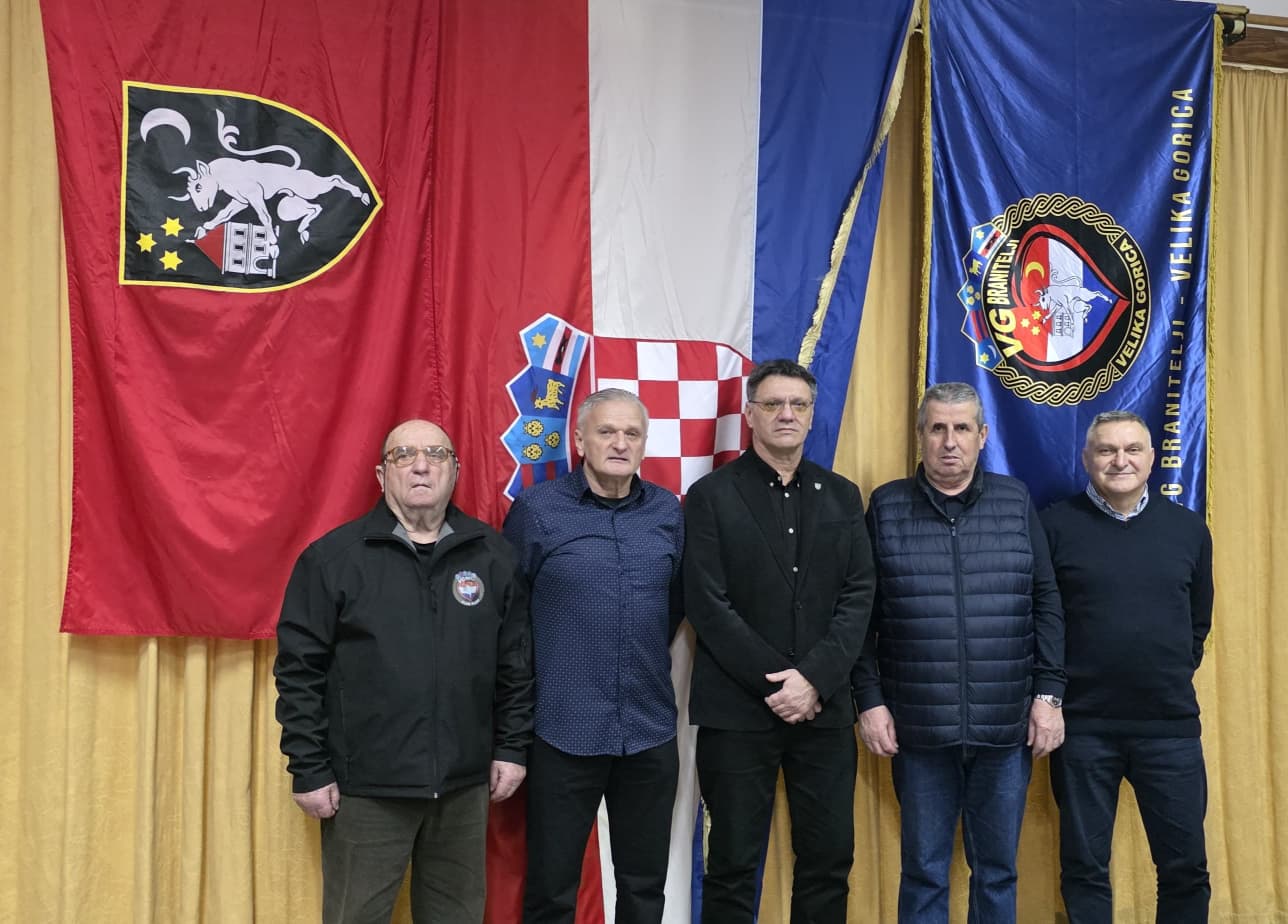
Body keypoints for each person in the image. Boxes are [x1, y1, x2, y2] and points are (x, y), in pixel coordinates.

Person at [273, 419, 533, 924]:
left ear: (455, 470)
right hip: (366, 789)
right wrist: (308, 768)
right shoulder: (333, 560)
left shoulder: (493, 555)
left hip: (463, 786)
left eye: (436, 454)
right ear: (381, 474)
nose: (420, 466)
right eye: (403, 455)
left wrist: (511, 747)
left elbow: (516, 663)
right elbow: (299, 672)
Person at [852, 381, 1065, 924]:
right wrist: (869, 701)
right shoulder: (886, 506)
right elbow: (859, 616)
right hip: (918, 728)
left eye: (962, 428)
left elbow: (1046, 601)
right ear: (920, 435)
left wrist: (1049, 696)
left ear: (982, 435)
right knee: (924, 870)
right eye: (938, 428)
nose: (950, 442)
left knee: (997, 871)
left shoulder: (1014, 501)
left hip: (1005, 727)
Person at [683, 358, 876, 924]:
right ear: (749, 414)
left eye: (798, 404)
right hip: (738, 713)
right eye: (772, 404)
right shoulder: (710, 495)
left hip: (824, 709)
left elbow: (859, 594)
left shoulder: (842, 496)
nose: (786, 414)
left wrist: (813, 679)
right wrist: (779, 684)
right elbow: (707, 604)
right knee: (732, 864)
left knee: (828, 861)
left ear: (812, 415)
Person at [503, 388, 684, 924]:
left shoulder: (668, 511)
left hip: (649, 730)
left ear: (645, 443)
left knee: (645, 888)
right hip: (562, 730)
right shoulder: (537, 511)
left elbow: (675, 604)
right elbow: (510, 619)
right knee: (552, 891)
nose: (619, 443)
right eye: (607, 431)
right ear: (580, 439)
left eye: (632, 433)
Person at [1041, 410, 1213, 923]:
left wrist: (1164, 671)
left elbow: (1198, 621)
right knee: (1084, 868)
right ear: (1086, 458)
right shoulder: (1053, 526)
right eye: (1107, 450)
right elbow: (1042, 619)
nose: (1121, 461)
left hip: (1169, 727)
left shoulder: (1188, 529)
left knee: (1185, 868)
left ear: (1152, 458)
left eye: (1133, 449)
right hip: (1082, 729)